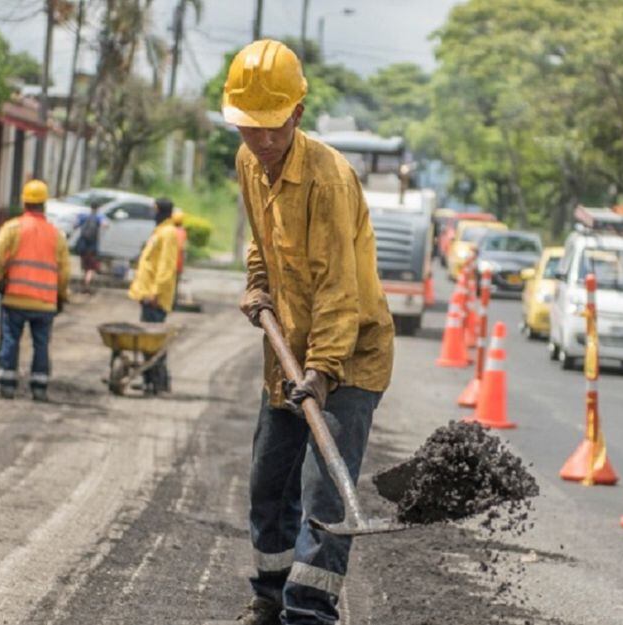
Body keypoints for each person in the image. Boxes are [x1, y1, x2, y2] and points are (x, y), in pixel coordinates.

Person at [225, 40, 395, 625]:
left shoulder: (329, 181)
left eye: (273, 127)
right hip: (289, 351)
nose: (263, 141)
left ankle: (311, 612)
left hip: (348, 359)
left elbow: (338, 292)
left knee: (325, 497)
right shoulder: (250, 163)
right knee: (268, 483)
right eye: (251, 128)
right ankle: (270, 599)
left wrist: (322, 373)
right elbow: (262, 242)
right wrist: (257, 284)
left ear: (298, 114)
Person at [0, 180, 71, 402]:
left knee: (10, 340)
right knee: (41, 344)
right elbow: (64, 272)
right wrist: (61, 295)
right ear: (44, 205)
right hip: (45, 302)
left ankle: (6, 384)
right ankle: (39, 387)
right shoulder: (56, 235)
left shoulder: (13, 228)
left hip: (15, 297)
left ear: (24, 203)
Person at [127, 198, 179, 395]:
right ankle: (149, 380)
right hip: (147, 295)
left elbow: (166, 267)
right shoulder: (161, 232)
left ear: (160, 211)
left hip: (154, 298)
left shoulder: (168, 234)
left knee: (155, 342)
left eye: (154, 210)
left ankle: (158, 382)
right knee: (148, 341)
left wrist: (155, 293)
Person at [74, 204, 104, 294]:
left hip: (83, 245)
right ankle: (87, 284)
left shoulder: (84, 217)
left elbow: (75, 225)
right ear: (97, 209)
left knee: (85, 266)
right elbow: (105, 224)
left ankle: (84, 284)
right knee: (91, 268)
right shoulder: (98, 217)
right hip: (92, 246)